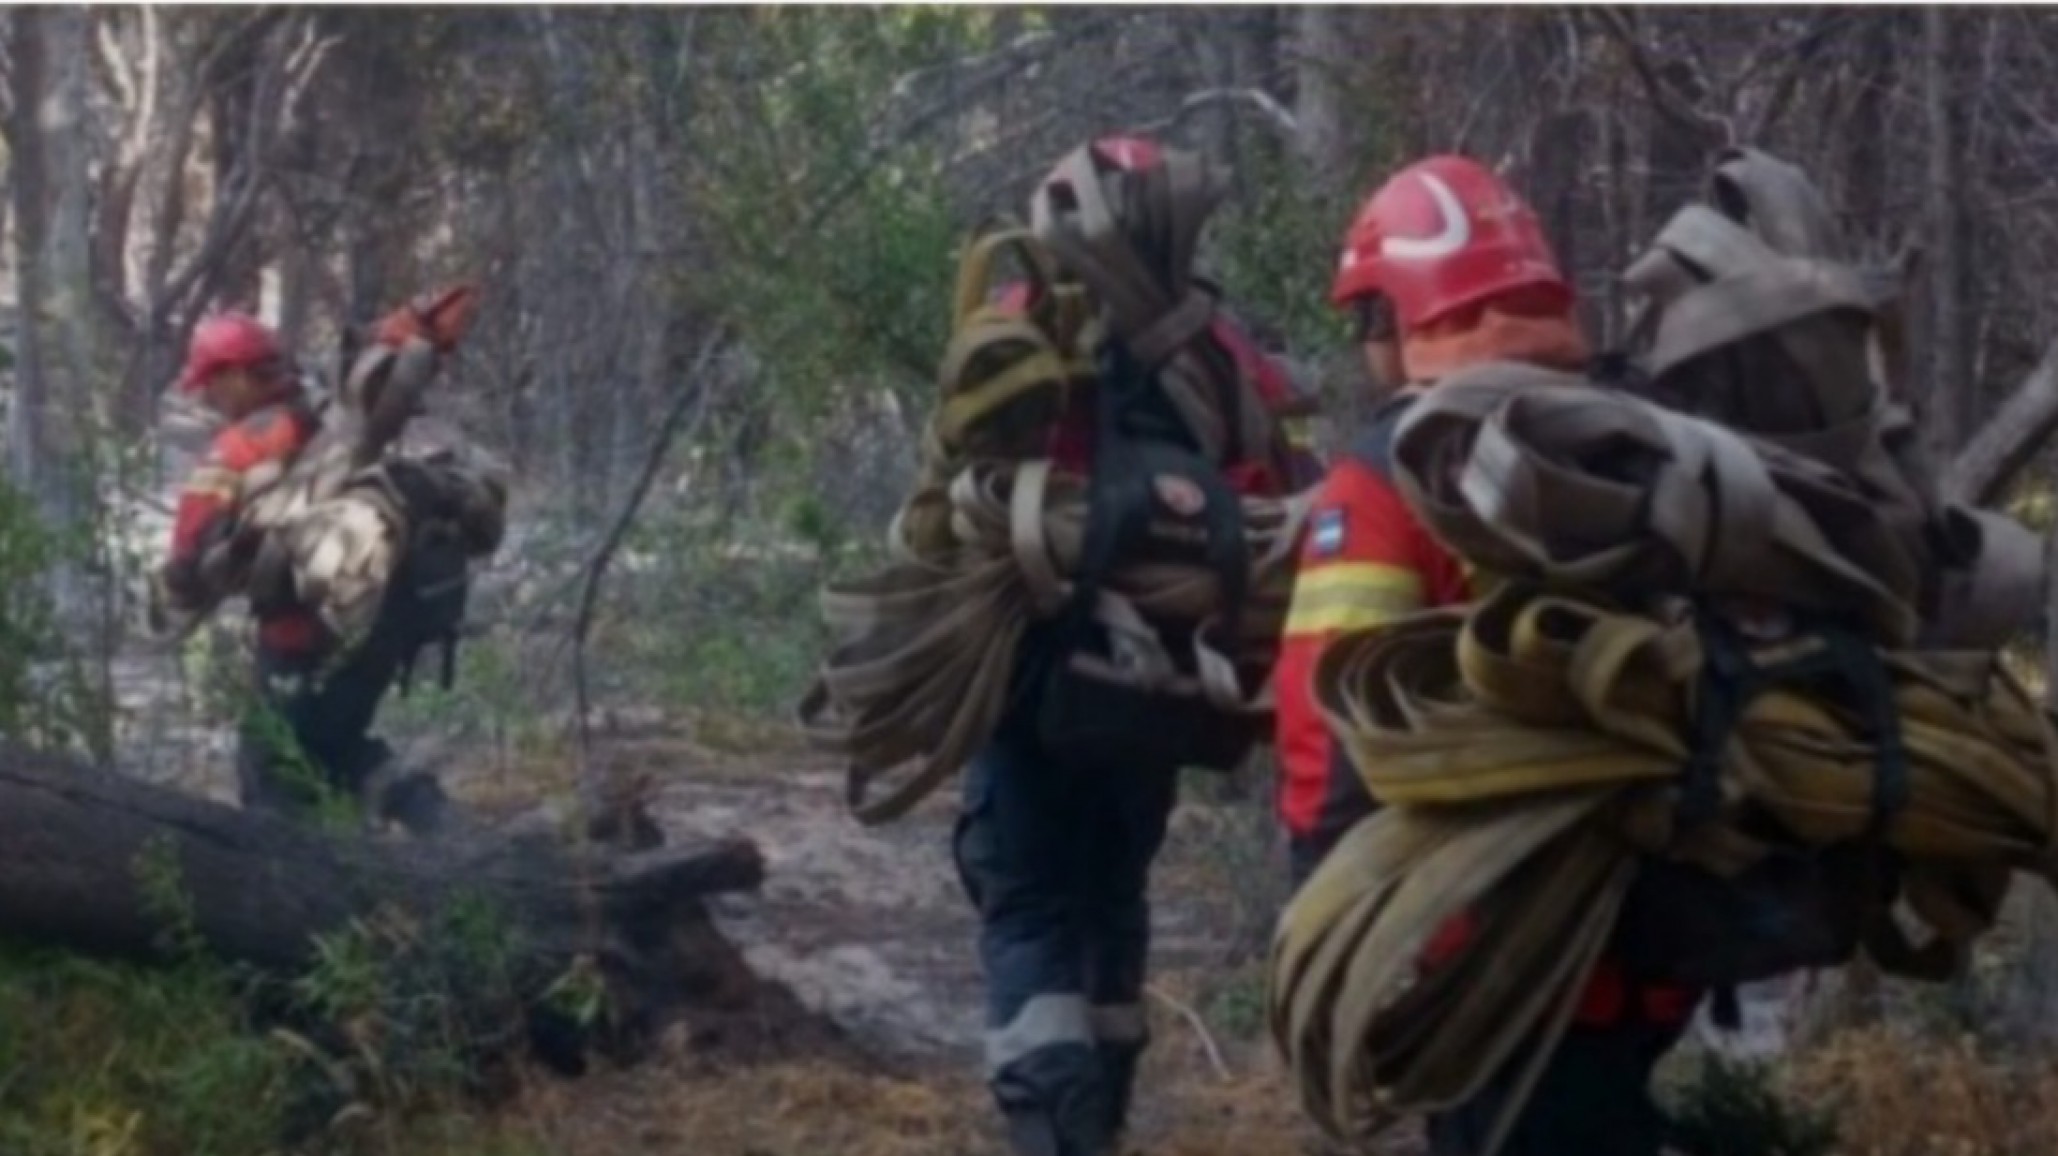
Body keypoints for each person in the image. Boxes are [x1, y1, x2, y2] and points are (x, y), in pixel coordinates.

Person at [1271, 155, 1697, 1155]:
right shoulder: (1650, 441)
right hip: (1661, 937)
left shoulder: (1386, 485)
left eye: (1370, 314)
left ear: (1403, 312)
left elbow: (1333, 740)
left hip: (1501, 959)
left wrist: (1327, 935)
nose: (1367, 342)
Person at [953, 135, 1307, 1156]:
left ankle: (1051, 1129)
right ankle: (1099, 1117)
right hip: (1163, 689)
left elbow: (960, 475)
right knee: (1114, 890)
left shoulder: (1021, 325)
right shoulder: (1221, 348)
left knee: (1027, 904)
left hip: (1030, 674)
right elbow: (1270, 483)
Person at [158, 311, 425, 825]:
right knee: (341, 751)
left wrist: (174, 596)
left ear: (236, 374)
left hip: (297, 638)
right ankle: (440, 825)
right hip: (380, 625)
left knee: (270, 772)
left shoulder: (242, 445)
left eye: (211, 384)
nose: (207, 399)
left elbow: (188, 558)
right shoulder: (332, 418)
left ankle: (292, 892)